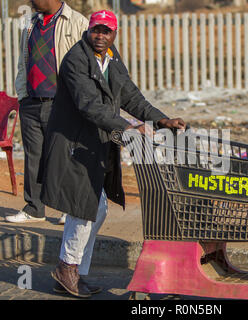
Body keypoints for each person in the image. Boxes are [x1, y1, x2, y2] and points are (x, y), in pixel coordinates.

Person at [40, 10, 186, 298]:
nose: (101, 36)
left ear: (114, 34)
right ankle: (68, 268)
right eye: (96, 30)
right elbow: (89, 106)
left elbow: (130, 95)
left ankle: (73, 271)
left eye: (107, 31)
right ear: (89, 30)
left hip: (94, 143)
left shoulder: (111, 57)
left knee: (96, 208)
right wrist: (131, 126)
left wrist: (160, 120)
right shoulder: (76, 60)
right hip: (72, 144)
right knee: (85, 206)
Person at [6, 0, 88, 225]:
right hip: (31, 102)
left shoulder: (77, 22)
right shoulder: (31, 24)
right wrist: (22, 95)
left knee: (64, 155)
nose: (31, 1)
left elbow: (87, 63)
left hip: (61, 103)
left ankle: (67, 209)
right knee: (34, 157)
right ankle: (34, 208)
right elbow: (24, 61)